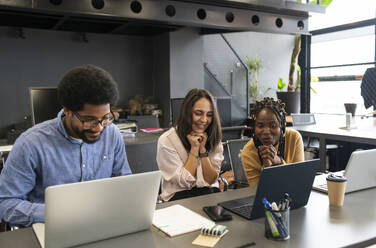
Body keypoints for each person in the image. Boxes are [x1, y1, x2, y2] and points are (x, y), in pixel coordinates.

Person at [0, 65, 132, 227]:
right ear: (67, 111)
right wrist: (57, 214)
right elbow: (5, 203)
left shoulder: (112, 134)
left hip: (102, 223)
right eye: (89, 120)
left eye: (105, 118)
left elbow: (125, 184)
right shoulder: (31, 144)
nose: (99, 128)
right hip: (52, 227)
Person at [157, 89, 223, 201]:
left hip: (209, 194)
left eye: (209, 115)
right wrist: (194, 148)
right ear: (187, 112)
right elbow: (185, 181)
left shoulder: (213, 137)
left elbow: (211, 179)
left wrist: (202, 150)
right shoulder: (167, 140)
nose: (204, 120)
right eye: (198, 113)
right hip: (179, 198)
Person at [241, 97, 304, 187]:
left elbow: (299, 181)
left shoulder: (294, 138)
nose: (266, 131)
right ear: (254, 128)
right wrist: (267, 166)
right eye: (260, 125)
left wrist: (278, 162)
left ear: (281, 126)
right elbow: (261, 193)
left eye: (273, 125)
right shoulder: (248, 153)